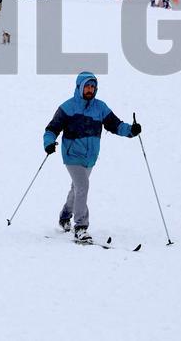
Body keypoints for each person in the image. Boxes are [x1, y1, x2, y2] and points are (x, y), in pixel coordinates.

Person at [42, 72, 141, 241]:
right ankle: (80, 227)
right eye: (87, 86)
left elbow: (116, 125)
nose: (90, 89)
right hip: (72, 155)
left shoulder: (100, 108)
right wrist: (49, 143)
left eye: (92, 86)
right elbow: (51, 129)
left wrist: (131, 131)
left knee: (77, 188)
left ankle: (65, 217)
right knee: (82, 186)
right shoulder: (67, 107)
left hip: (90, 158)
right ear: (79, 87)